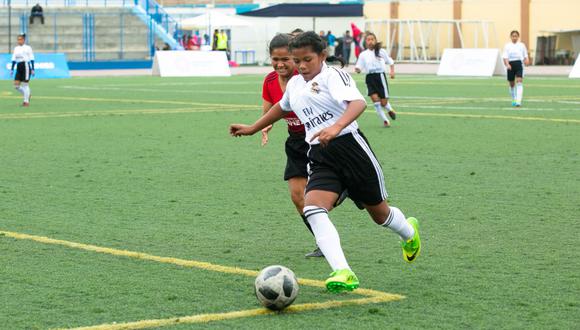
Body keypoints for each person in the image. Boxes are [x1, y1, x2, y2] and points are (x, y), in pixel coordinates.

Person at [230, 31, 421, 293]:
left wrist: (336, 126)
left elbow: (358, 103)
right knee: (312, 208)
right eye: (297, 61)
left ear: (322, 55)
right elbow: (282, 107)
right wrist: (254, 127)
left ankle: (409, 233)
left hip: (352, 150)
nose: (302, 66)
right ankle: (343, 271)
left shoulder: (333, 76)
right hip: (320, 155)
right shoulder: (296, 84)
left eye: (307, 59)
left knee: (379, 214)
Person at [261, 33, 322, 258]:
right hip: (296, 142)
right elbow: (269, 109)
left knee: (321, 196)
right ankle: (322, 242)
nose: (280, 64)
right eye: (275, 59)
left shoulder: (305, 77)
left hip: (319, 137)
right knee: (298, 197)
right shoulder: (269, 81)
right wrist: (265, 126)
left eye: (285, 59)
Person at [355, 32, 397, 127]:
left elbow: (390, 62)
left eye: (372, 39)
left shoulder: (381, 52)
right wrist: (357, 69)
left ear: (375, 40)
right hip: (370, 78)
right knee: (376, 101)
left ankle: (390, 109)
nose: (370, 41)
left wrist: (392, 72)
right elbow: (359, 67)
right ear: (365, 42)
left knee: (383, 103)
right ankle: (385, 120)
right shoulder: (363, 54)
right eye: (368, 40)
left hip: (380, 77)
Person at [503, 30, 529, 107]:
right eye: (513, 36)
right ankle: (514, 98)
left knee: (519, 81)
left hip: (519, 64)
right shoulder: (507, 46)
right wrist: (507, 64)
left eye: (516, 36)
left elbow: (525, 55)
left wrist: (526, 60)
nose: (514, 37)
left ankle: (518, 101)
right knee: (511, 84)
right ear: (510, 37)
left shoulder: (522, 45)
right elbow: (505, 57)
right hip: (510, 65)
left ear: (518, 37)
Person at [10, 34, 34, 107]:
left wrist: (33, 69)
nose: (19, 41)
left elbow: (32, 58)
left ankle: (26, 102)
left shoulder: (28, 48)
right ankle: (27, 94)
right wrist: (12, 69)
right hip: (19, 66)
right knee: (16, 85)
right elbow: (14, 59)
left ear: (23, 40)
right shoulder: (16, 48)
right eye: (18, 39)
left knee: (25, 85)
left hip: (26, 65)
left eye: (20, 39)